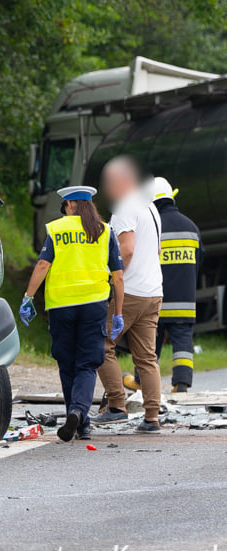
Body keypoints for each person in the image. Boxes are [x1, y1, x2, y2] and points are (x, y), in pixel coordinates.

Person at [20, 186, 125, 442]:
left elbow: (44, 264)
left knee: (67, 364)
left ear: (68, 206)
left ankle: (78, 420)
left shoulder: (57, 229)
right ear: (89, 205)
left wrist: (28, 297)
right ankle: (80, 416)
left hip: (61, 306)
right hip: (94, 305)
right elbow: (118, 277)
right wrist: (118, 312)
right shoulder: (104, 231)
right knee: (87, 364)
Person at [92, 157, 163, 433]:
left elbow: (128, 250)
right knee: (146, 357)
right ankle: (152, 417)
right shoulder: (151, 208)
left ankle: (116, 407)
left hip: (129, 292)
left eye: (109, 182)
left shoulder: (124, 207)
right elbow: (156, 251)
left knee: (101, 345)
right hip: (153, 292)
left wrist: (113, 279)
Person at [124, 178, 203, 393]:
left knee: (148, 345)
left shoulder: (151, 228)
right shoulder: (191, 227)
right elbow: (199, 260)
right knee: (183, 344)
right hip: (184, 301)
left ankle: (141, 382)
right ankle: (181, 384)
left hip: (155, 299)